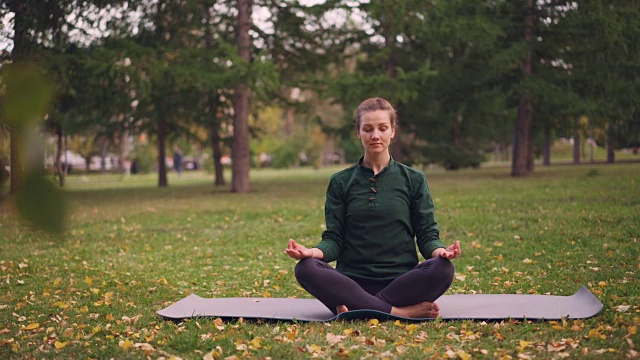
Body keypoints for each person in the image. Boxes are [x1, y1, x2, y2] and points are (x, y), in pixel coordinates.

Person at [285, 97, 461, 318]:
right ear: (358, 133)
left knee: (443, 268)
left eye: (382, 128)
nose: (375, 135)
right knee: (305, 268)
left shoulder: (414, 180)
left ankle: (360, 309)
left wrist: (441, 251)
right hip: (351, 284)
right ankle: (399, 312)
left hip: (401, 284)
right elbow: (334, 240)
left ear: (393, 131)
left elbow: (427, 235)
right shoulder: (341, 182)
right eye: (367, 129)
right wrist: (310, 252)